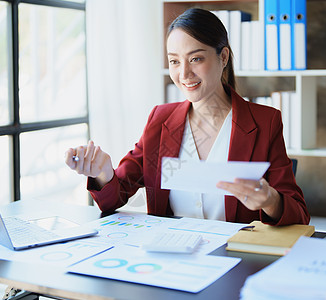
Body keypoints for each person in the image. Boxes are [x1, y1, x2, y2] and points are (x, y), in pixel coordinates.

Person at [65, 8, 310, 225]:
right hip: (171, 263)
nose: (184, 73)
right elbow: (115, 196)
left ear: (223, 57)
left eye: (195, 59)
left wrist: (270, 200)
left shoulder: (265, 122)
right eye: (174, 61)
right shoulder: (160, 120)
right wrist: (103, 173)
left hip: (233, 260)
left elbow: (298, 213)